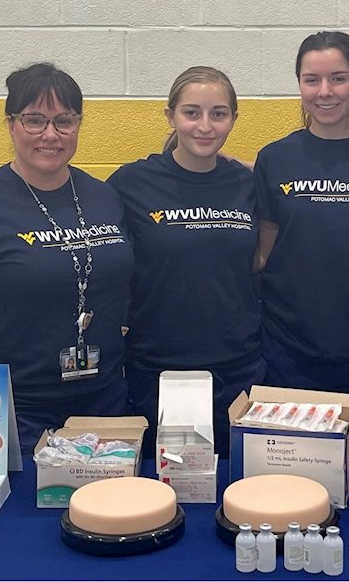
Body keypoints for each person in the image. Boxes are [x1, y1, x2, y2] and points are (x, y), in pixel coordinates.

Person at [0, 63, 134, 450]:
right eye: (35, 120)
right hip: (17, 412)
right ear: (11, 123)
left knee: (107, 508)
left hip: (106, 405)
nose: (50, 134)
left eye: (64, 120)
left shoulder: (105, 198)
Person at [254, 31, 349, 459]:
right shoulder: (275, 158)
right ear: (299, 84)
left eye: (337, 78)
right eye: (311, 79)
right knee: (293, 474)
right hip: (288, 351)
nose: (325, 92)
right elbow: (265, 251)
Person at [107, 66, 263, 456]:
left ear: (233, 119)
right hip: (161, 373)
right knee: (175, 489)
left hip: (238, 368)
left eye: (219, 113)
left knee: (236, 487)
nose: (205, 126)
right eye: (192, 112)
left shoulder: (247, 184)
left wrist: (256, 168)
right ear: (171, 116)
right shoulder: (131, 183)